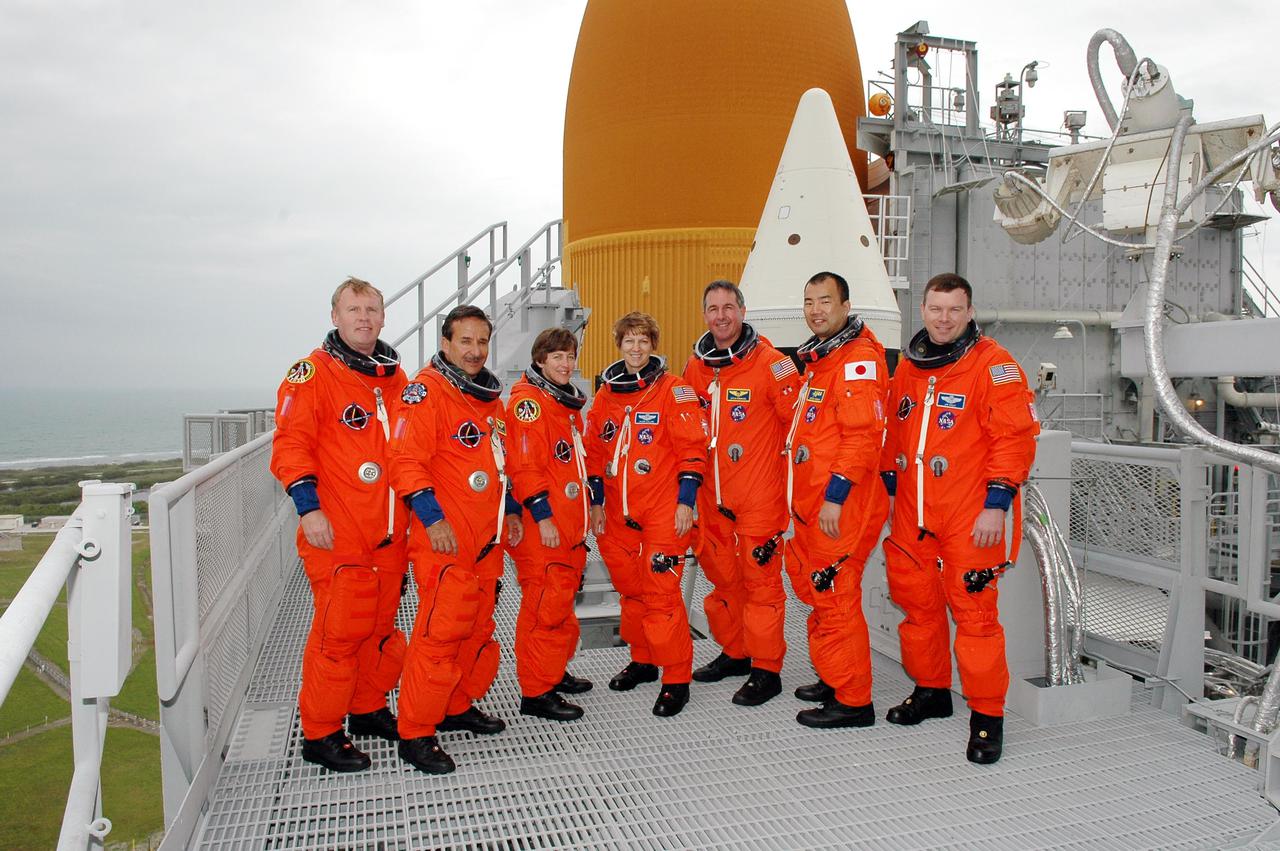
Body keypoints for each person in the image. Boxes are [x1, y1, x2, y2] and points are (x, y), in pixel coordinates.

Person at [879, 273, 1039, 764]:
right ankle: (931, 691)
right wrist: (890, 497)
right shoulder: (909, 368)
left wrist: (997, 503)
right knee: (918, 608)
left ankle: (988, 717)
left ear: (969, 312)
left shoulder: (994, 366)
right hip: (913, 514)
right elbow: (893, 437)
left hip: (970, 515)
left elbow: (1014, 438)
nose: (944, 319)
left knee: (975, 619)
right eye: (935, 309)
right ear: (922, 311)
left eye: (954, 309)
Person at [270, 277, 409, 772]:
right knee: (339, 634)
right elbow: (290, 446)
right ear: (335, 316)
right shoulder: (311, 375)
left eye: (372, 309)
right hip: (340, 529)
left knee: (378, 627)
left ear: (383, 317)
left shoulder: (394, 378)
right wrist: (309, 509)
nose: (364, 317)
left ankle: (366, 707)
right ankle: (321, 732)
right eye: (354, 309)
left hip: (389, 532)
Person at [388, 305, 524, 774]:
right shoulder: (425, 393)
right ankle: (416, 733)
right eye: (465, 341)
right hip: (444, 540)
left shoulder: (489, 399)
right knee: (438, 637)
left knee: (476, 629)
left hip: (485, 542)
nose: (474, 351)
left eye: (482, 342)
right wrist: (432, 518)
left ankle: (456, 704)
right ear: (445, 343)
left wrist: (510, 513)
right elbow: (405, 461)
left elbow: (502, 463)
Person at [682, 280, 803, 705]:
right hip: (712, 498)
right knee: (723, 580)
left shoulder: (773, 364)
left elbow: (800, 429)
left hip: (759, 495)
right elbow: (685, 431)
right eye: (713, 308)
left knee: (761, 584)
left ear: (743, 310)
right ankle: (736, 650)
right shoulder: (695, 368)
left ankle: (767, 669)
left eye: (729, 307)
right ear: (704, 315)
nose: (721, 316)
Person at [583, 312, 708, 717]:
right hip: (618, 514)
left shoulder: (674, 391)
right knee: (632, 593)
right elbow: (596, 454)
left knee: (662, 597)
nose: (635, 349)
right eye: (628, 341)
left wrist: (685, 502)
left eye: (643, 341)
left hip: (662, 511)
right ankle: (643, 659)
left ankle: (676, 677)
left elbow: (693, 451)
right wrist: (597, 503)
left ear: (653, 345)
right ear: (618, 345)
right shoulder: (605, 396)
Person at [783, 271, 890, 729]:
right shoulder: (824, 362)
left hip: (841, 504)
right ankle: (833, 674)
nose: (816, 310)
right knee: (817, 590)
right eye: (809, 301)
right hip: (814, 503)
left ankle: (853, 700)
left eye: (825, 300)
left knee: (835, 593)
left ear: (846, 305)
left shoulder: (857, 360)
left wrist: (835, 496)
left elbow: (862, 437)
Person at [505, 328, 594, 722]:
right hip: (546, 528)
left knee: (559, 604)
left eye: (570, 356)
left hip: (567, 526)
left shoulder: (562, 406)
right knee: (543, 608)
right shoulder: (530, 405)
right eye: (556, 356)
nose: (565, 364)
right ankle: (536, 691)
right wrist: (543, 518)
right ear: (540, 360)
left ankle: (553, 671)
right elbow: (524, 469)